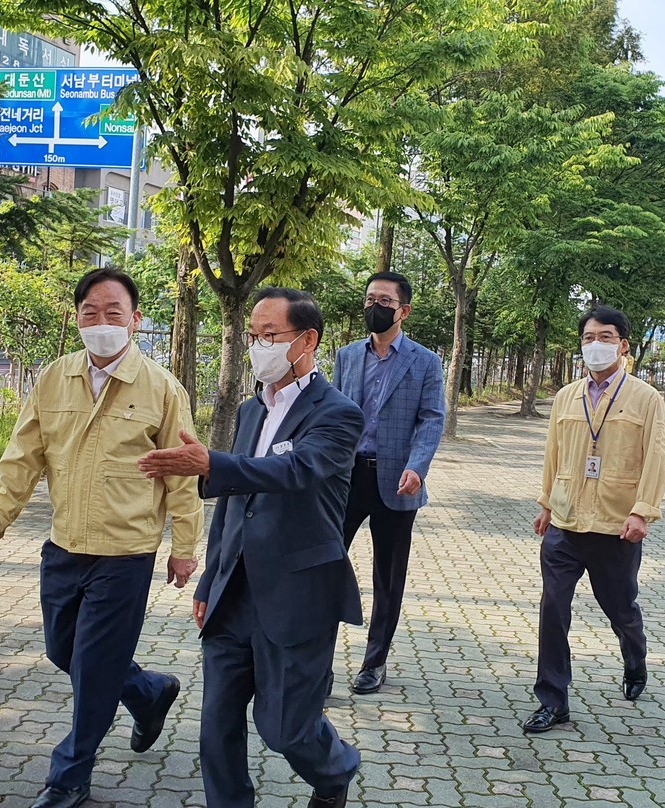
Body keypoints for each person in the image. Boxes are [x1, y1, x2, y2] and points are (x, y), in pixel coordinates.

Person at [0, 267, 203, 808]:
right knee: (63, 650)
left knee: (93, 670)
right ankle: (148, 691)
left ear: (136, 320)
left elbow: (183, 474)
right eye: (90, 313)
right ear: (76, 319)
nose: (101, 322)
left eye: (113, 312)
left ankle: (69, 776)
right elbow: (23, 455)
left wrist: (184, 547)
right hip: (64, 545)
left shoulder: (163, 389)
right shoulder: (54, 378)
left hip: (127, 552)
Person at [138, 287, 363, 808]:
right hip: (234, 592)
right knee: (215, 727)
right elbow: (235, 504)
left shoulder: (338, 414)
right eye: (253, 336)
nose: (259, 346)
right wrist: (211, 577)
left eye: (271, 336)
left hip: (297, 592)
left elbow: (295, 470)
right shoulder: (249, 410)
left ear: (307, 340)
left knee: (285, 729)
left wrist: (212, 465)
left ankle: (334, 772)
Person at [524, 305, 665, 734]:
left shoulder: (645, 398)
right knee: (553, 610)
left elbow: (655, 459)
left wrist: (643, 511)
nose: (595, 345)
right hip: (566, 523)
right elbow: (553, 455)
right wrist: (547, 504)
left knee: (620, 609)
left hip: (616, 526)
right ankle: (553, 700)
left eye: (605, 337)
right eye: (588, 338)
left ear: (623, 346)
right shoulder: (567, 397)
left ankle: (635, 657)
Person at [331, 271, 445, 695]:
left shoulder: (425, 361)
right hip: (346, 477)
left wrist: (417, 467)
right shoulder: (346, 356)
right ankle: (317, 660)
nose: (374, 307)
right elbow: (335, 414)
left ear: (403, 311)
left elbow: (432, 419)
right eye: (369, 299)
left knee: (388, 576)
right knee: (324, 564)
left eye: (384, 301)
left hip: (398, 481)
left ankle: (374, 662)